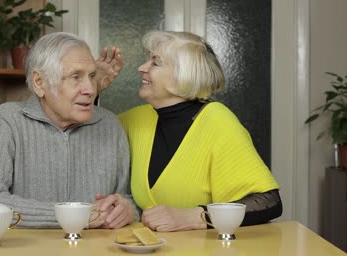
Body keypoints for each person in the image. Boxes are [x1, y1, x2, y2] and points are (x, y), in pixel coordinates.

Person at [111, 31, 282, 232]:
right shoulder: (135, 119)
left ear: (184, 74)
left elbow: (269, 202)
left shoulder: (218, 121)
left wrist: (195, 216)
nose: (141, 68)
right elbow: (90, 133)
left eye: (155, 63)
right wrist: (95, 86)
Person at [0, 32, 137, 229]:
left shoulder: (110, 125)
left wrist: (128, 209)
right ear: (39, 83)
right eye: (75, 77)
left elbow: (129, 199)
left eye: (92, 76)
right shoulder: (7, 120)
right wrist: (75, 216)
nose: (90, 88)